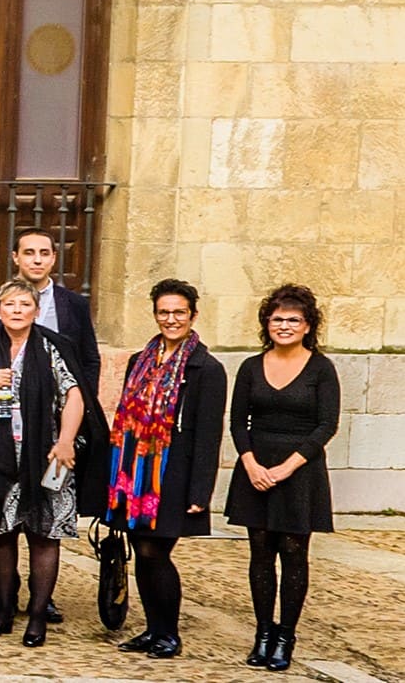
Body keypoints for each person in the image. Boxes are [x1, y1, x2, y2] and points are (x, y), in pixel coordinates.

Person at [99, 278, 222, 659]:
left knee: (157, 551)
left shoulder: (207, 368)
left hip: (172, 474)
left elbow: (208, 435)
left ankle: (169, 633)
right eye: (164, 312)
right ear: (155, 314)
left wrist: (201, 492)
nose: (171, 319)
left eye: (179, 312)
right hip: (134, 473)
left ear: (193, 315)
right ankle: (152, 630)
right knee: (141, 549)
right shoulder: (140, 361)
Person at [0, 279, 86, 646]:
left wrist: (66, 441)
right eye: (9, 305)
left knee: (44, 533)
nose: (17, 310)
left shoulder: (54, 347)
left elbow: (75, 395)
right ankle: (3, 608)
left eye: (24, 304)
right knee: (1, 533)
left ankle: (37, 615)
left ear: (35, 311)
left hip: (50, 456)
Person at [227, 283, 331, 673]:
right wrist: (251, 464)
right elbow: (238, 421)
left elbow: (326, 424)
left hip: (299, 471)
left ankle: (286, 634)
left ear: (307, 325)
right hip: (256, 467)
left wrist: (287, 467)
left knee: (293, 552)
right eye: (277, 319)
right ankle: (263, 633)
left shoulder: (321, 368)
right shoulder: (251, 366)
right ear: (266, 323)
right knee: (260, 553)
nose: (284, 326)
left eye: (293, 320)